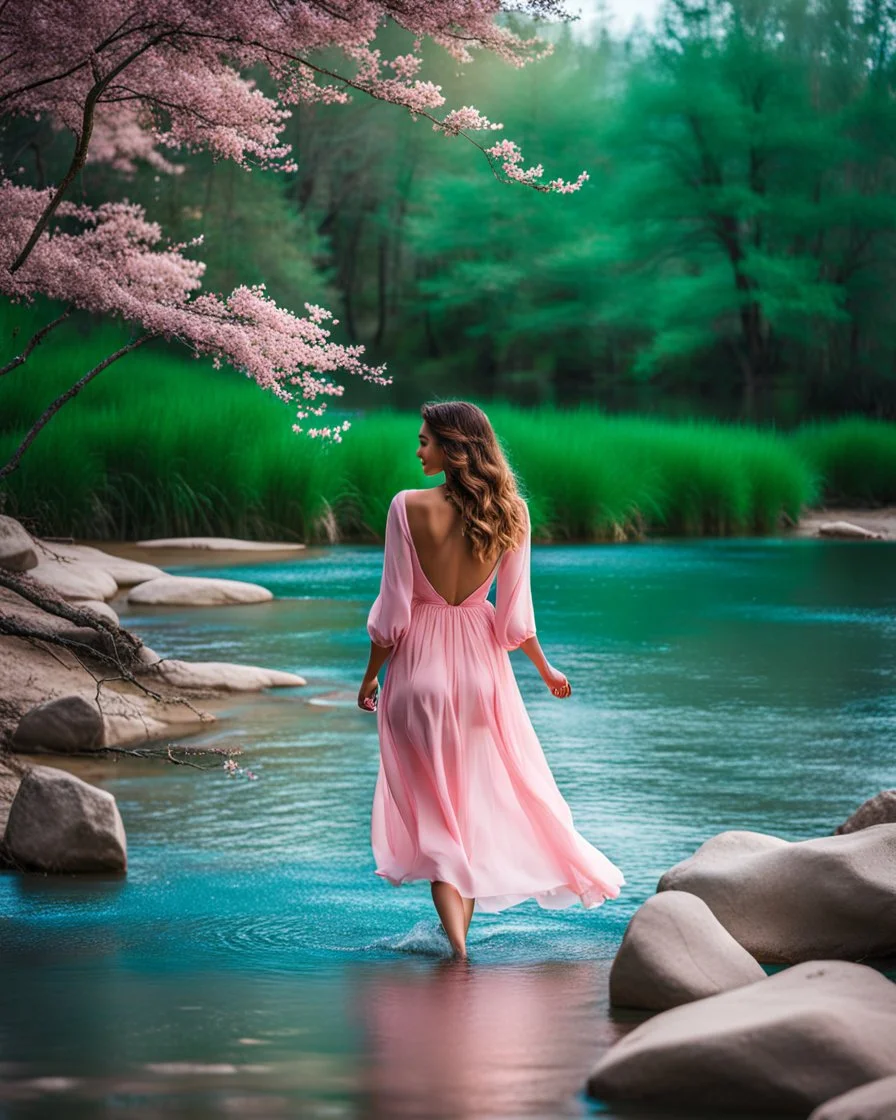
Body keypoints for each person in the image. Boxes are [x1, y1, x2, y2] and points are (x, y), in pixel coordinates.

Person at [358, 401, 625, 960]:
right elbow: (512, 620)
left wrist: (370, 678)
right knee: (468, 812)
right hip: (482, 676)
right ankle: (460, 944)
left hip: (418, 677)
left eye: (426, 441)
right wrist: (546, 669)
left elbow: (393, 614)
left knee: (438, 820)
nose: (418, 450)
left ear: (454, 448)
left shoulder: (406, 508)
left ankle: (456, 948)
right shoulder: (513, 513)